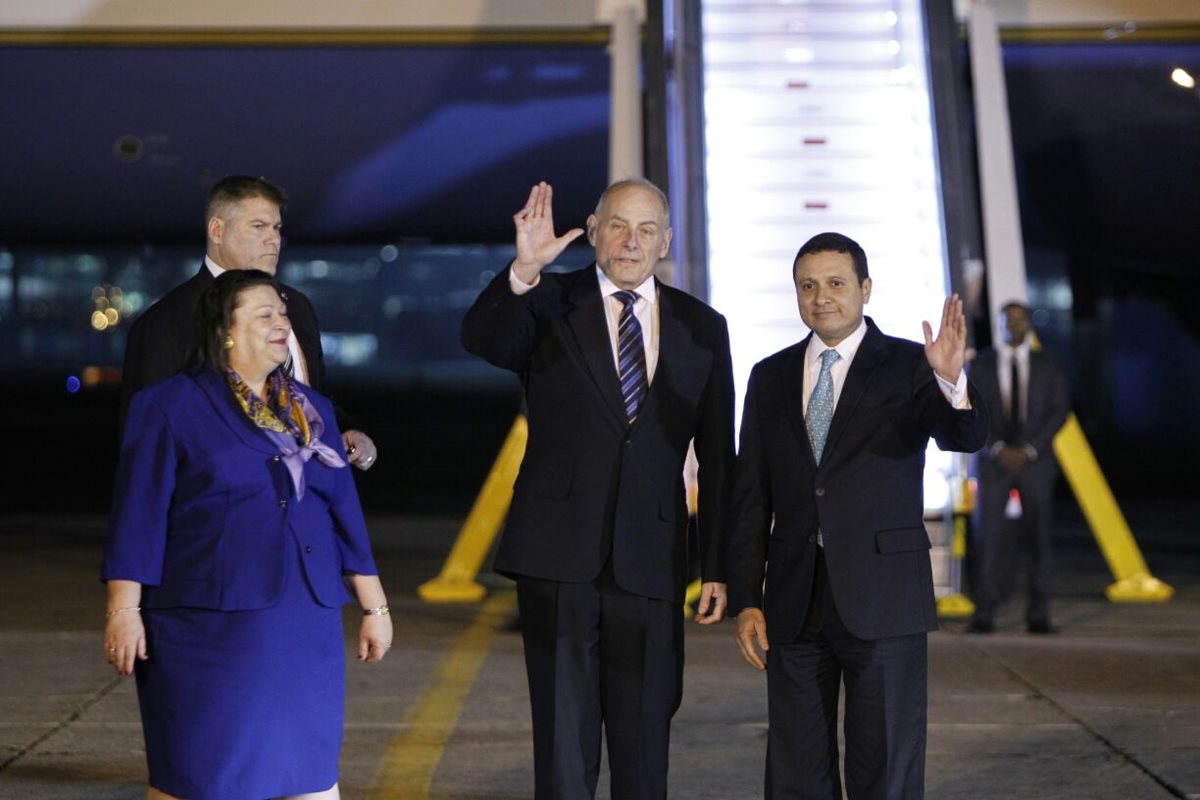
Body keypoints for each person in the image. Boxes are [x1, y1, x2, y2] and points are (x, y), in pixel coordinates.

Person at [461, 180, 734, 799]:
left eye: (645, 230)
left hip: (654, 559)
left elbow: (719, 456)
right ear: (592, 229)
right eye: (617, 225)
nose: (630, 242)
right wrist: (524, 269)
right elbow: (483, 339)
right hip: (558, 557)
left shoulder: (703, 327)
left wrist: (719, 566)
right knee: (562, 742)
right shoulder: (549, 301)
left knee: (644, 743)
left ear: (666, 242)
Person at [102, 269, 392, 800]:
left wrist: (375, 607)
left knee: (307, 775)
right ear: (226, 331)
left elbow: (344, 512)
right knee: (204, 774)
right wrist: (124, 609)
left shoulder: (312, 409)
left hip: (306, 621)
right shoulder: (170, 406)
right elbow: (138, 515)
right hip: (209, 626)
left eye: (283, 313)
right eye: (265, 315)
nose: (282, 322)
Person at [726, 232, 988, 800]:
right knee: (795, 771)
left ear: (865, 289)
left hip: (884, 597)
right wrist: (749, 596)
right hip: (794, 602)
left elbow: (963, 435)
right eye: (808, 286)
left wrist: (950, 380)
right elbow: (751, 497)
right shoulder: (769, 376)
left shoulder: (908, 365)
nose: (823, 297)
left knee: (886, 769)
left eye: (837, 284)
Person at [119, 174, 377, 469]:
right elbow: (147, 445)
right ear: (217, 231)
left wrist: (346, 430)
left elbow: (310, 396)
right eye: (258, 227)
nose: (273, 239)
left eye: (277, 228)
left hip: (305, 502)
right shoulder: (167, 322)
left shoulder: (298, 308)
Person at [967, 300, 1070, 634]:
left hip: (1035, 465)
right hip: (993, 464)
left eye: (1019, 319)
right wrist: (995, 448)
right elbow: (968, 409)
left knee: (1040, 540)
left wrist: (1028, 449)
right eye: (1006, 319)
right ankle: (984, 613)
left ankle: (1039, 615)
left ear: (1028, 324)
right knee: (988, 540)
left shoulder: (1048, 364)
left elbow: (1059, 411)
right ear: (998, 324)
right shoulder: (981, 364)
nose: (1013, 325)